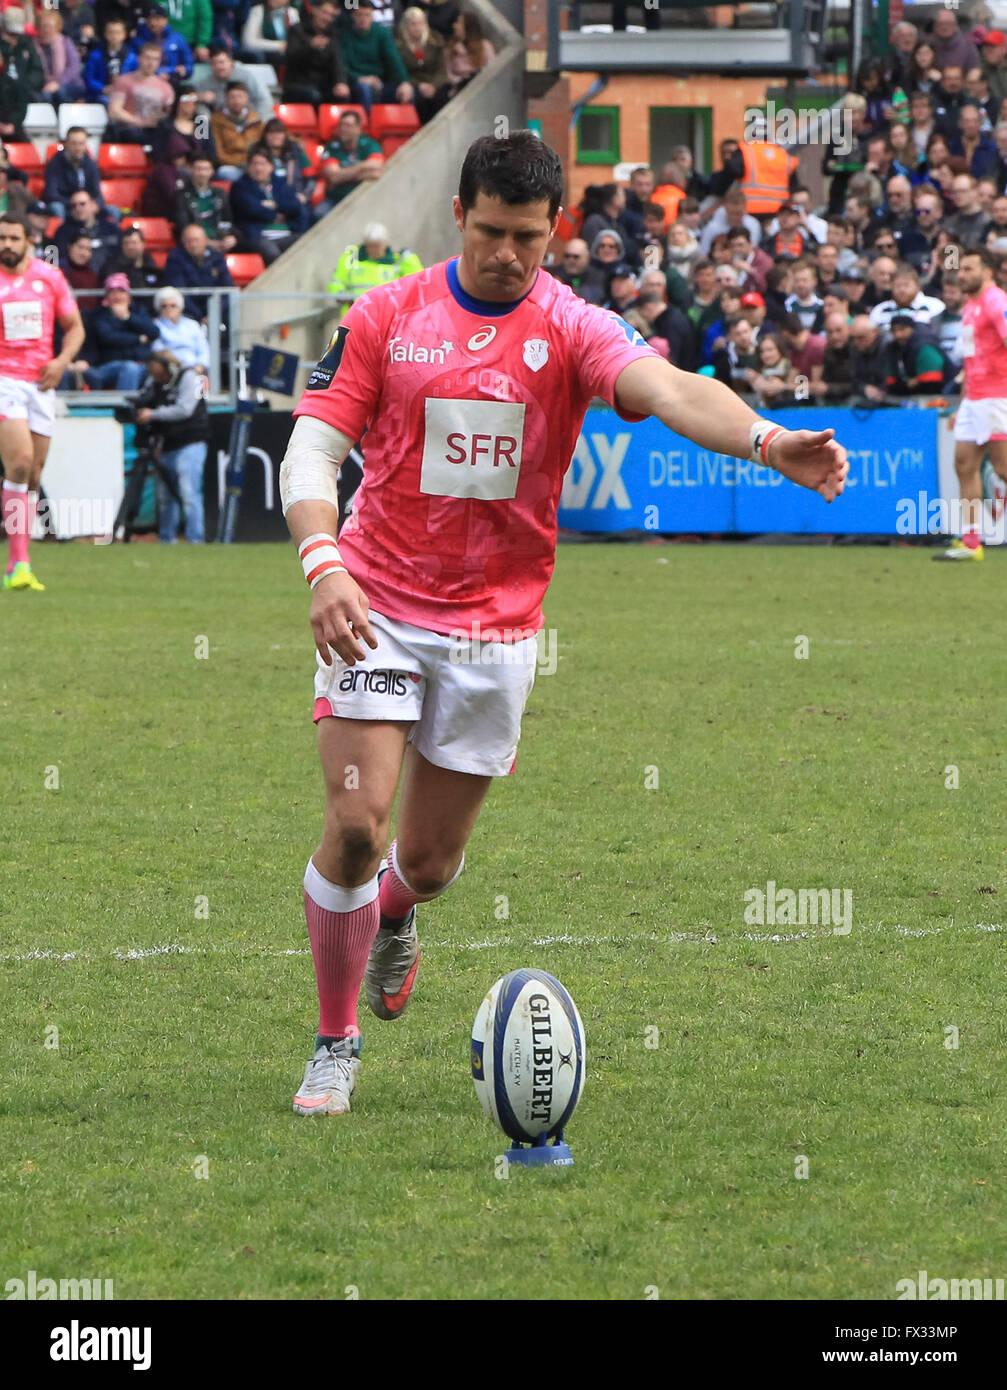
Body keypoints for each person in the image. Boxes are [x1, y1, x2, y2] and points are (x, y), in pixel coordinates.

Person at [276, 130, 848, 1117]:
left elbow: (669, 391)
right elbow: (311, 449)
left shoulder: (571, 324)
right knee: (357, 827)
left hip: (495, 627)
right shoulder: (384, 316)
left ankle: (397, 916)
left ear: (554, 232)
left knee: (427, 863)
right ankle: (335, 1042)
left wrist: (763, 438)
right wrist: (322, 564)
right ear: (456, 216)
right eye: (491, 232)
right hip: (375, 603)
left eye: (528, 239)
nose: (508, 255)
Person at [0, 212, 85, 592]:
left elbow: (75, 328)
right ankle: (18, 563)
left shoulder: (49, 278)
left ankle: (20, 563)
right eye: (2, 238)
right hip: (5, 381)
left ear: (28, 242)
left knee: (32, 476)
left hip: (41, 383)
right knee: (18, 464)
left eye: (14, 238)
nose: (7, 245)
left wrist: (61, 362)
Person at [935, 246, 1007, 560]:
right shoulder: (971, 305)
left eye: (968, 269)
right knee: (964, 464)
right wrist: (964, 403)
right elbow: (971, 357)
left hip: (997, 396)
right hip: (975, 398)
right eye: (960, 269)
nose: (961, 275)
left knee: (1004, 468)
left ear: (987, 272)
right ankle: (972, 543)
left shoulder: (995, 301)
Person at [132, 347, 209, 543]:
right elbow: (143, 398)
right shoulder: (154, 383)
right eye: (154, 374)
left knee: (189, 493)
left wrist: (153, 414)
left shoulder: (190, 377)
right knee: (166, 497)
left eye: (160, 374)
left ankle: (195, 539)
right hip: (167, 444)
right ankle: (167, 539)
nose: (158, 378)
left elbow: (185, 409)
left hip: (190, 441)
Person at [70, 271, 156, 390]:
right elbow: (108, 337)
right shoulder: (99, 315)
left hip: (142, 363)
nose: (117, 296)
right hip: (108, 365)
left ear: (128, 294)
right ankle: (124, 408)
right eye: (112, 292)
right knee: (130, 368)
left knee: (156, 368)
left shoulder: (139, 311)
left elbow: (154, 332)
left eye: (121, 291)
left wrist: (127, 317)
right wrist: (139, 338)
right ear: (107, 296)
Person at [327, 222, 422, 317]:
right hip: (355, 317)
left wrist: (409, 258)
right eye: (369, 246)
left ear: (385, 244)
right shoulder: (351, 259)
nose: (372, 250)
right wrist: (341, 294)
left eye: (376, 246)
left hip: (387, 318)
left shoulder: (397, 261)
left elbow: (418, 281)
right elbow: (337, 282)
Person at [229, 146, 307, 263]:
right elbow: (252, 209)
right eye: (255, 164)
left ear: (271, 166)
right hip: (258, 237)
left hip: (286, 235)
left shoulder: (280, 184)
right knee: (272, 252)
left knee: (306, 243)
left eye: (263, 164)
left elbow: (295, 206)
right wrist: (276, 214)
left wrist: (275, 205)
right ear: (249, 167)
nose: (259, 168)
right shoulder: (240, 186)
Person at [342, 0, 413, 115]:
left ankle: (410, 127)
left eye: (367, 15)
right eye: (359, 15)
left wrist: (404, 81)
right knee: (364, 89)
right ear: (353, 16)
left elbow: (394, 59)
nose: (363, 19)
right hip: (355, 82)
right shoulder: (345, 36)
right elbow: (342, 66)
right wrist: (360, 78)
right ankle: (368, 127)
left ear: (372, 16)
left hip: (380, 82)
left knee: (406, 91)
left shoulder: (382, 33)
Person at [313, 109, 384, 219]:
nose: (343, 129)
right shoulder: (331, 147)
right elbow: (334, 177)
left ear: (358, 128)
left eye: (348, 125)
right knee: (318, 213)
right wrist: (362, 171)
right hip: (336, 200)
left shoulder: (370, 144)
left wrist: (344, 173)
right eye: (341, 125)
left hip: (363, 199)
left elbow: (376, 169)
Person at [282, 1, 351, 107]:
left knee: (343, 95)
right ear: (315, 10)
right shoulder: (297, 30)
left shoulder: (333, 34)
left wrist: (341, 83)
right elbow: (290, 58)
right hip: (298, 83)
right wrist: (310, 47)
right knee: (314, 95)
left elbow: (338, 63)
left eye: (331, 15)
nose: (327, 18)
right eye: (324, 13)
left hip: (323, 84)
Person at [162, 220, 233, 320]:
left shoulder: (218, 259)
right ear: (183, 243)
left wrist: (214, 313)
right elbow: (179, 292)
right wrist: (199, 317)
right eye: (189, 241)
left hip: (215, 312)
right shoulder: (175, 259)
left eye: (196, 240)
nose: (193, 244)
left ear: (205, 241)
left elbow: (227, 289)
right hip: (188, 315)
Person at [106, 41, 175, 143]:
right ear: (139, 58)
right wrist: (139, 121)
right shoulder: (124, 81)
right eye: (147, 58)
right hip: (129, 131)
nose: (151, 63)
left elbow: (168, 114)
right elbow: (114, 111)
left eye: (155, 59)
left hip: (157, 133)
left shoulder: (166, 87)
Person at [197, 41, 273, 124]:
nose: (219, 67)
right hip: (222, 123)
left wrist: (258, 122)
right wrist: (200, 96)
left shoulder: (246, 76)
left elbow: (264, 99)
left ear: (230, 62)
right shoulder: (207, 82)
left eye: (222, 62)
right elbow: (189, 96)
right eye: (214, 63)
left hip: (249, 120)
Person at [174, 151, 235, 252]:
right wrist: (206, 242)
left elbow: (227, 221)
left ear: (212, 171)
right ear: (191, 170)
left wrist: (231, 238)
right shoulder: (181, 196)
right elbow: (184, 228)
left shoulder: (220, 194)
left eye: (206, 169)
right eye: (198, 169)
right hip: (193, 244)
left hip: (219, 241)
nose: (202, 173)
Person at [395, 5, 445, 124]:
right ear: (406, 25)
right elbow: (399, 71)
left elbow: (442, 70)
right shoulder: (398, 45)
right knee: (419, 99)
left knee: (442, 97)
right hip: (412, 85)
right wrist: (418, 85)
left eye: (420, 23)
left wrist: (433, 85)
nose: (417, 28)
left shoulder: (435, 41)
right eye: (413, 24)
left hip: (433, 83)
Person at [44, 126, 103, 222]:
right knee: (57, 207)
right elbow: (51, 194)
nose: (78, 148)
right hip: (66, 206)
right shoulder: (54, 164)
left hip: (86, 205)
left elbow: (97, 193)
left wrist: (96, 204)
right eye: (74, 143)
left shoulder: (91, 164)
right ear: (66, 143)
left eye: (81, 144)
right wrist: (76, 204)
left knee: (112, 211)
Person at [210, 80, 264, 181]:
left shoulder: (255, 120)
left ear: (247, 98)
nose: (236, 101)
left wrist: (252, 164)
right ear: (226, 99)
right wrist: (240, 163)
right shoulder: (216, 120)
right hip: (230, 166)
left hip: (254, 166)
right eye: (232, 97)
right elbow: (218, 153)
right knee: (225, 172)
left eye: (240, 96)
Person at [54, 190, 121, 272]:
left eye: (82, 204)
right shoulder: (63, 232)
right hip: (76, 277)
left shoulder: (111, 228)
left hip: (108, 275)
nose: (78, 208)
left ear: (94, 205)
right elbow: (59, 259)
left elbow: (120, 255)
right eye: (74, 206)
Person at [34, 9, 86, 106]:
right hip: (44, 85)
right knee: (44, 95)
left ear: (57, 27)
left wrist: (58, 83)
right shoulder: (33, 45)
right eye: (43, 26)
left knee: (60, 93)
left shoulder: (65, 42)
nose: (46, 29)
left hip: (69, 84)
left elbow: (74, 67)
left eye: (49, 26)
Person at [132, 4, 193, 82]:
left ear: (166, 20)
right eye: (149, 19)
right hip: (145, 81)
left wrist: (185, 70)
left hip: (173, 80)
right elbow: (133, 64)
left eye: (157, 19)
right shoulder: (138, 40)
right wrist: (160, 72)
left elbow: (189, 64)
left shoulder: (177, 38)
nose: (153, 23)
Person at [152, 283, 210, 365]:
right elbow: (157, 349)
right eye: (164, 306)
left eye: (173, 305)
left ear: (180, 307)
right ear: (158, 308)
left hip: (195, 367)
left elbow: (204, 350)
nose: (168, 309)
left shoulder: (192, 325)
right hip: (170, 369)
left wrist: (200, 365)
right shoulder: (155, 326)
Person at [84, 15, 132, 102]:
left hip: (125, 95)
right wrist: (103, 88)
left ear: (124, 35)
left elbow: (135, 78)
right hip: (100, 95)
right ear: (106, 34)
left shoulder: (132, 58)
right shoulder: (95, 55)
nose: (114, 36)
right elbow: (89, 79)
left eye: (118, 32)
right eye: (111, 32)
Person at [104, 221, 165, 290]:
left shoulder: (152, 268)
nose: (130, 247)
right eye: (126, 243)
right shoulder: (113, 268)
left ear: (143, 244)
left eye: (134, 242)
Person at [549, 237, 605, 305]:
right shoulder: (552, 275)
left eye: (576, 257)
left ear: (587, 258)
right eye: (567, 256)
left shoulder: (598, 278)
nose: (571, 260)